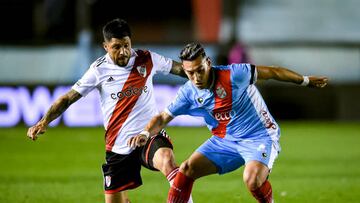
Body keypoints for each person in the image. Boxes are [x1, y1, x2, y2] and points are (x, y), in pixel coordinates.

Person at [128, 42, 329, 203]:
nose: (196, 77)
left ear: (207, 62)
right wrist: (146, 134)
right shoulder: (188, 92)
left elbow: (273, 72)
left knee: (252, 181)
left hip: (260, 136)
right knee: (186, 170)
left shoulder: (234, 74)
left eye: (200, 70)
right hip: (225, 141)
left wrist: (304, 80)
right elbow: (163, 117)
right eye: (190, 73)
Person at [27, 18, 193, 203]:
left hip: (149, 133)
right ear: (105, 46)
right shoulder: (98, 70)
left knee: (166, 159)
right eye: (116, 47)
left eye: (126, 45)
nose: (123, 52)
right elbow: (67, 98)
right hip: (118, 145)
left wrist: (203, 71)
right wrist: (44, 121)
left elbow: (179, 69)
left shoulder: (147, 58)